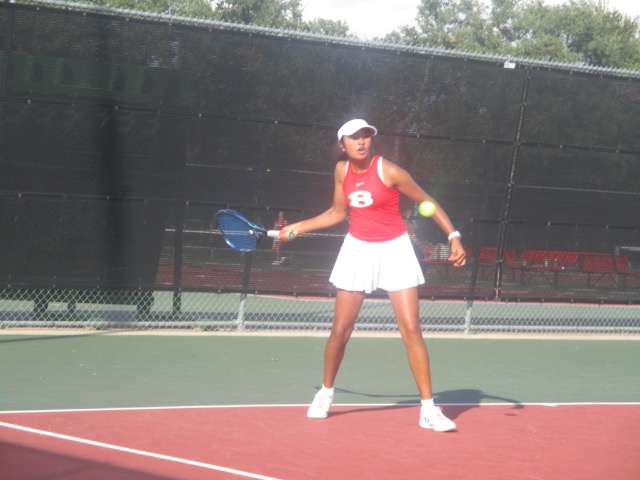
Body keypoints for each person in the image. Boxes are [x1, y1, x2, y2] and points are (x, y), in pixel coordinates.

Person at [278, 119, 466, 432]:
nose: (361, 141)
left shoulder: (389, 171)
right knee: (341, 329)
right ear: (342, 144)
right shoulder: (341, 171)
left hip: (395, 249)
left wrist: (454, 236)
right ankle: (325, 393)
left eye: (366, 136)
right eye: (354, 137)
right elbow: (337, 213)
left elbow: (427, 202)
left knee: (411, 328)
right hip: (358, 249)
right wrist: (299, 227)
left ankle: (428, 410)